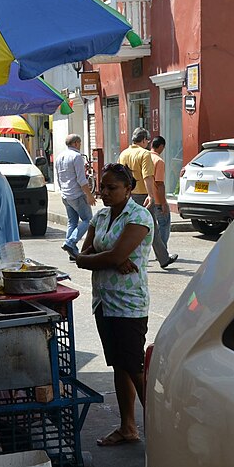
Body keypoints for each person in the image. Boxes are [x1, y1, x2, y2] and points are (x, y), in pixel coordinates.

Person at [75, 163, 153, 447]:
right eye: (102, 187)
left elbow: (100, 256)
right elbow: (84, 253)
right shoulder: (102, 216)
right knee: (119, 365)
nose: (105, 193)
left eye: (112, 188)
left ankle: (161, 428)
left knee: (134, 367)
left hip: (129, 304)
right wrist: (110, 257)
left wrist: (109, 257)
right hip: (104, 302)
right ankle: (128, 427)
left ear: (128, 189)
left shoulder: (139, 216)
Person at [118, 128, 178, 269]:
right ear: (144, 140)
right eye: (147, 140)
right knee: (151, 228)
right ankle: (163, 259)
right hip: (142, 196)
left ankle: (126, 255)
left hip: (128, 195)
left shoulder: (124, 154)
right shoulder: (144, 154)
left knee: (128, 226)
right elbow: (148, 177)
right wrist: (151, 196)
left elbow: (119, 176)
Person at [55, 134, 97, 261]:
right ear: (76, 143)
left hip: (66, 194)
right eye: (79, 143)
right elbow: (81, 179)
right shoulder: (77, 156)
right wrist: (89, 195)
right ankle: (70, 242)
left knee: (72, 222)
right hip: (77, 194)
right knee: (88, 220)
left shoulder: (59, 157)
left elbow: (58, 177)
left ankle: (72, 251)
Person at [149, 136, 171, 249]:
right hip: (157, 200)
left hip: (145, 198)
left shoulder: (145, 157)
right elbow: (159, 183)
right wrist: (163, 203)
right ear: (161, 146)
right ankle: (162, 251)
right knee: (164, 224)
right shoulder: (159, 161)